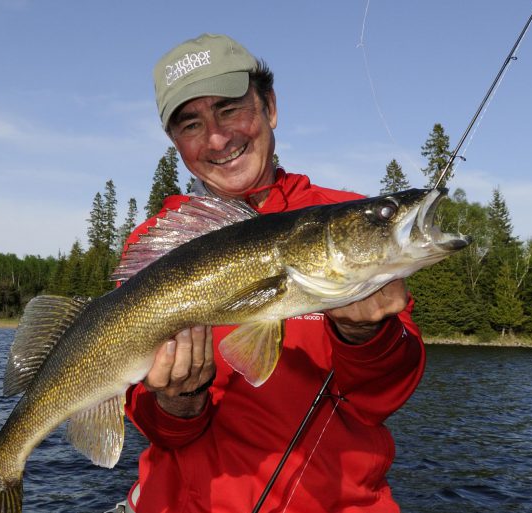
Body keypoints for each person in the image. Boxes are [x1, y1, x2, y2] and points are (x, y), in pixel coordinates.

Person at [118, 33, 425, 513]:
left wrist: (367, 337)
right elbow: (159, 429)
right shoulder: (158, 245)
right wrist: (179, 402)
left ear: (270, 108)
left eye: (230, 109)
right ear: (175, 142)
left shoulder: (340, 217)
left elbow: (382, 400)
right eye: (192, 123)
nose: (218, 138)